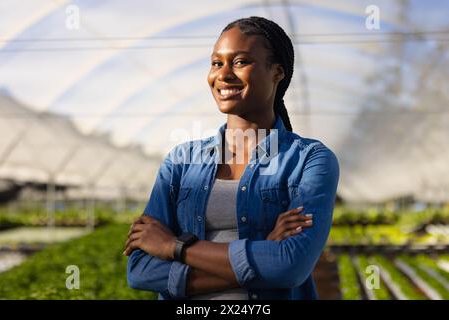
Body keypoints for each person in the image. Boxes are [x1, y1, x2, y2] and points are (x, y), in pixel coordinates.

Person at [124, 16, 339, 300]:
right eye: (216, 63)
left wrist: (177, 248)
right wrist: (262, 250)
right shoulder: (181, 162)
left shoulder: (310, 161)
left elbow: (290, 266)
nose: (223, 74)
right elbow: (140, 271)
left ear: (277, 72)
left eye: (240, 62)